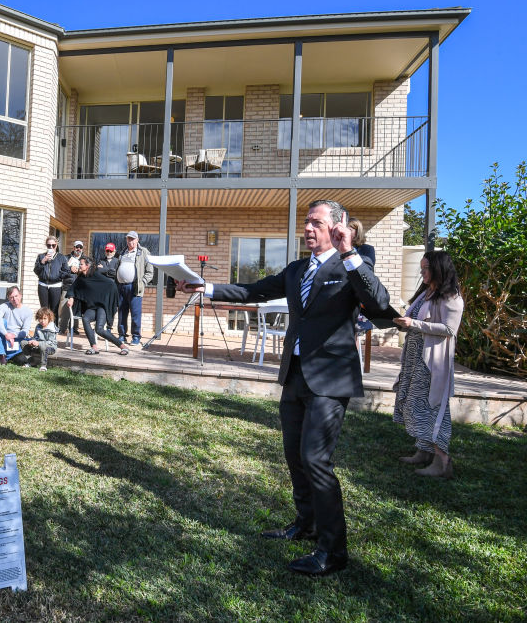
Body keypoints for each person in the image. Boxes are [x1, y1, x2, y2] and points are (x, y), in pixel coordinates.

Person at [182, 199, 389, 577]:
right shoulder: (296, 270)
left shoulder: (353, 263)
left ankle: (333, 550)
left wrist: (349, 252)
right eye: (306, 222)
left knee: (316, 459)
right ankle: (306, 523)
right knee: (294, 455)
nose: (308, 228)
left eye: (316, 222)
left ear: (338, 227)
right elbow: (254, 291)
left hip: (330, 379)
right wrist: (205, 287)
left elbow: (378, 304)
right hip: (294, 375)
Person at [392, 250, 464, 479]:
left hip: (431, 363)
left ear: (438, 269)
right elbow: (416, 320)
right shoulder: (427, 292)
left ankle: (442, 462)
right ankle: (423, 451)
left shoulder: (451, 297)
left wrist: (414, 323)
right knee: (416, 405)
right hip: (415, 358)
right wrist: (403, 323)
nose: (422, 272)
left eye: (426, 268)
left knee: (430, 408)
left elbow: (449, 330)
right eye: (421, 268)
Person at [69, 256, 128, 355]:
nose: (79, 265)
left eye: (81, 264)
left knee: (99, 329)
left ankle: (123, 346)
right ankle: (94, 347)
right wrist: (71, 298)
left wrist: (110, 301)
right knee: (85, 319)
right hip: (91, 307)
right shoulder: (81, 278)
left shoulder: (96, 275)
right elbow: (72, 289)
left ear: (87, 266)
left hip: (102, 307)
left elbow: (111, 284)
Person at [115, 230, 154, 346]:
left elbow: (150, 272)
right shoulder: (123, 252)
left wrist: (142, 283)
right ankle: (122, 335)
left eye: (132, 239)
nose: (130, 241)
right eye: (128, 239)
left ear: (137, 240)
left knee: (135, 314)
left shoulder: (144, 252)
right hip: (121, 286)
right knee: (122, 312)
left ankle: (136, 337)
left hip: (135, 287)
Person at [0, 286, 34, 365]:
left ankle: (1, 356)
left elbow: (25, 331)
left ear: (20, 295)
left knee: (21, 359)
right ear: (8, 298)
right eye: (11, 297)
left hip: (16, 338)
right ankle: (1, 354)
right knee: (1, 322)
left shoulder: (28, 312)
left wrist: (13, 336)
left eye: (16, 296)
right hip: (4, 337)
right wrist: (6, 334)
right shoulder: (4, 306)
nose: (14, 299)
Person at [34, 236, 71, 318]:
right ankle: (45, 328)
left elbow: (67, 271)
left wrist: (57, 276)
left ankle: (54, 329)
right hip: (43, 285)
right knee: (44, 309)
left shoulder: (61, 257)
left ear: (56, 245)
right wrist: (43, 261)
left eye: (53, 245)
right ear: (46, 245)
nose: (51, 247)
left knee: (54, 309)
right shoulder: (41, 256)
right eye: (48, 245)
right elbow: (36, 271)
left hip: (56, 286)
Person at [58, 240, 85, 336]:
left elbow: (89, 271)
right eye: (77, 247)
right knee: (64, 308)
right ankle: (62, 328)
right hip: (67, 286)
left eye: (80, 247)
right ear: (73, 248)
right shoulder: (66, 258)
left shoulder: (84, 260)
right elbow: (60, 271)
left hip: (79, 287)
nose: (78, 249)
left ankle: (74, 328)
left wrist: (80, 271)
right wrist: (70, 269)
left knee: (76, 308)